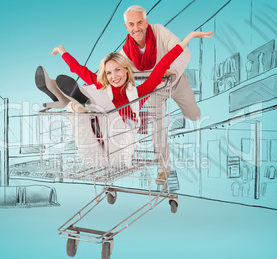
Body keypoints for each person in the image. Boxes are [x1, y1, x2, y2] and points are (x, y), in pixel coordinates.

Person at [36, 30, 213, 184]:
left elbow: (163, 63)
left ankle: (74, 101)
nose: (114, 76)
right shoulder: (102, 87)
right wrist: (62, 51)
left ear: (127, 70)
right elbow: (78, 70)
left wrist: (188, 38)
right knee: (80, 115)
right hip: (95, 157)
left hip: (120, 150)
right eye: (108, 73)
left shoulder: (140, 92)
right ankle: (74, 105)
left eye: (118, 70)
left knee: (101, 102)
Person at [120, 5, 203, 183]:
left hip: (176, 81)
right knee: (157, 128)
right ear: (127, 27)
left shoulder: (159, 31)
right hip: (154, 90)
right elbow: (115, 70)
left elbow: (184, 51)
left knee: (194, 115)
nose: (137, 28)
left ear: (146, 22)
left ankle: (190, 113)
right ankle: (163, 168)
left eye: (140, 22)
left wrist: (172, 72)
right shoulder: (126, 52)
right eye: (132, 24)